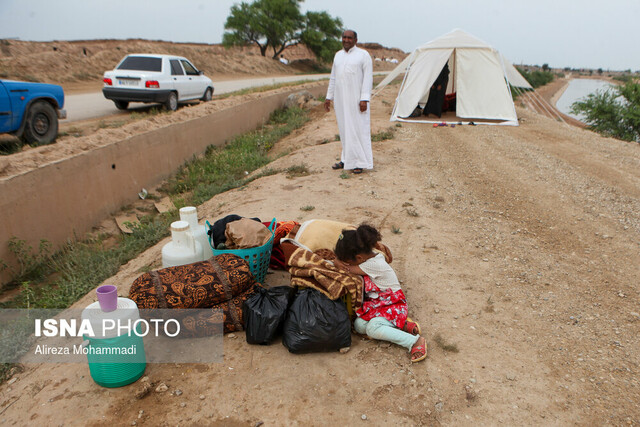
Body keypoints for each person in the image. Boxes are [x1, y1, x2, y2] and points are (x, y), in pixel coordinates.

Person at [333, 224, 427, 363]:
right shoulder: (368, 257)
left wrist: (336, 262)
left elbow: (347, 270)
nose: (343, 263)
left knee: (372, 329)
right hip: (379, 304)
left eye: (345, 261)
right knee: (359, 325)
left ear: (358, 258)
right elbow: (347, 265)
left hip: (393, 304)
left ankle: (415, 342)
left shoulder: (373, 264)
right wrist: (338, 260)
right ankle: (403, 325)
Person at [324, 30, 373, 175]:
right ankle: (346, 159)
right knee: (345, 129)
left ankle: (359, 162)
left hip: (357, 100)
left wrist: (364, 99)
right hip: (340, 100)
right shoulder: (338, 55)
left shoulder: (363, 55)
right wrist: (329, 97)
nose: (346, 40)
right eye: (344, 37)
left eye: (349, 38)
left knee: (358, 129)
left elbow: (368, 78)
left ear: (355, 40)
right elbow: (333, 77)